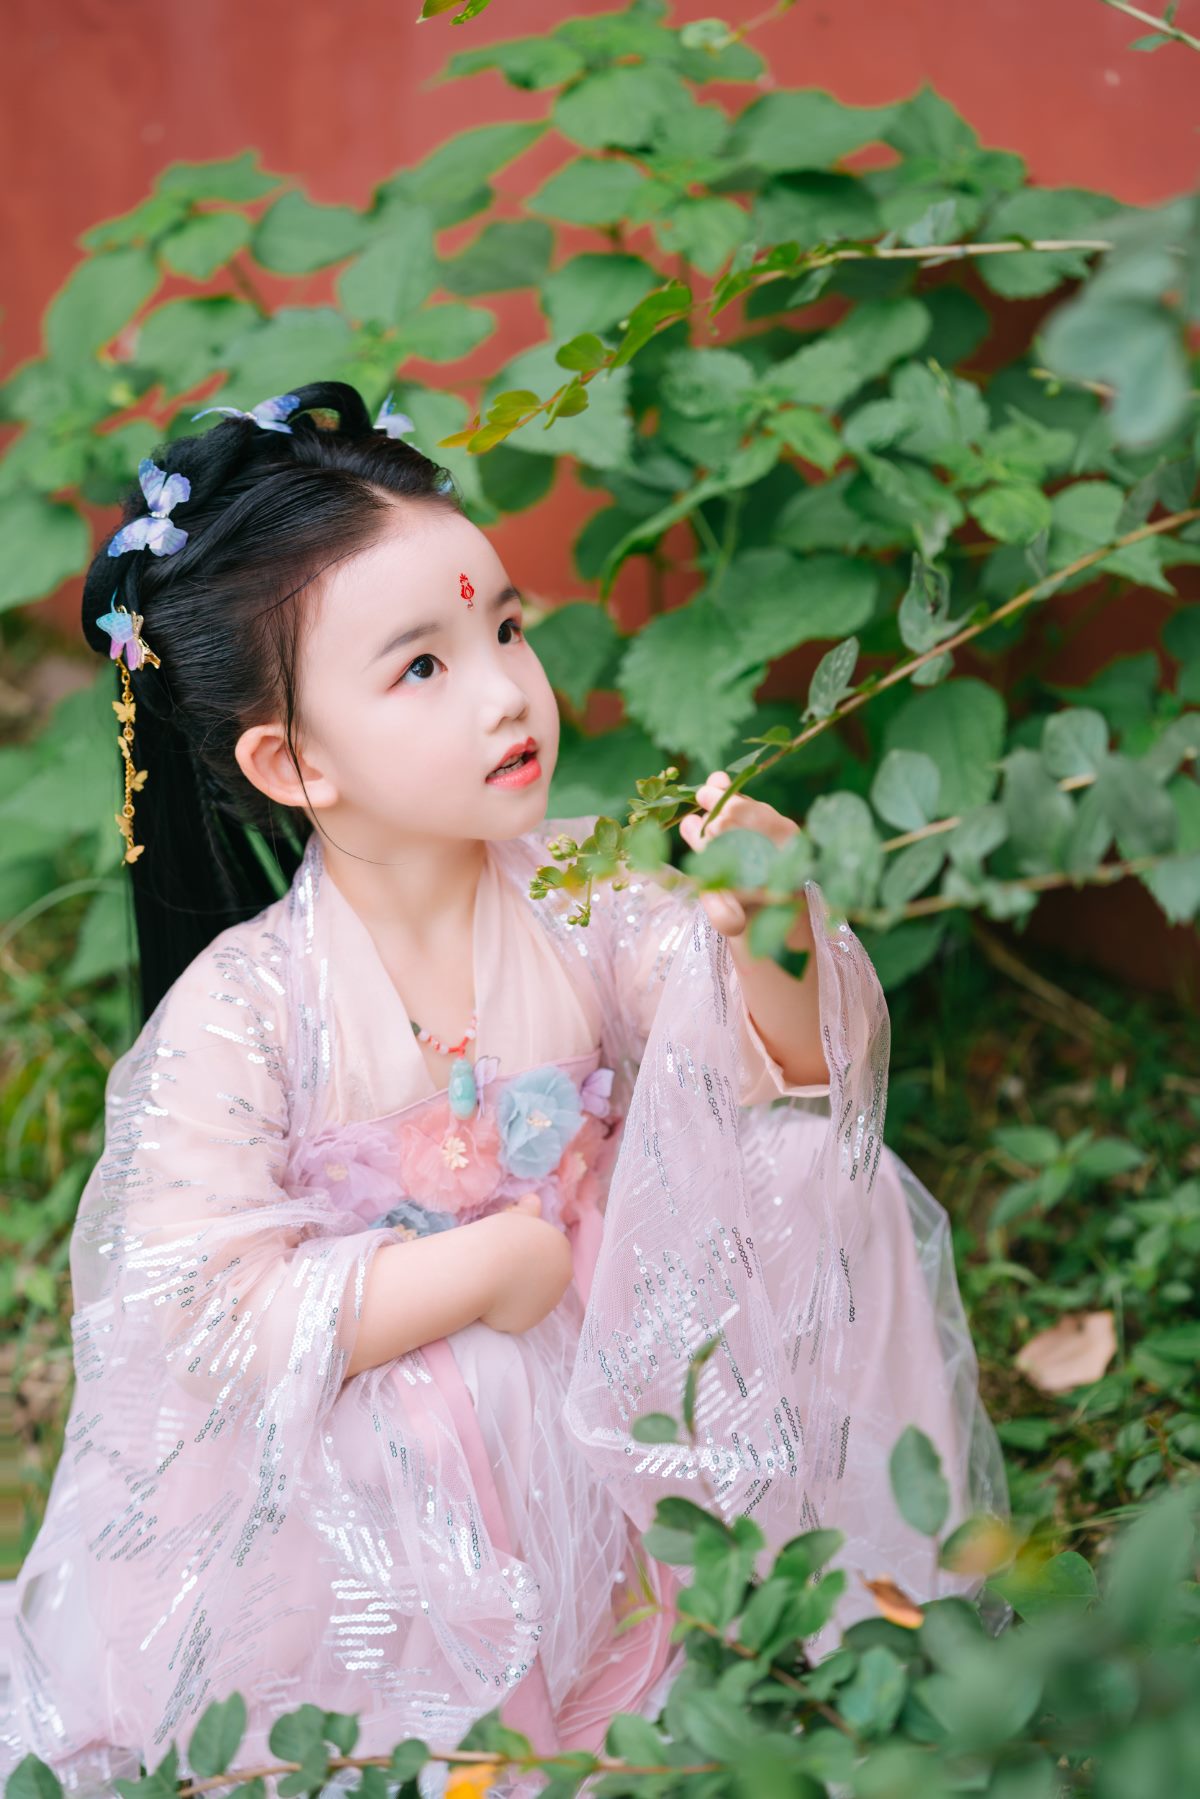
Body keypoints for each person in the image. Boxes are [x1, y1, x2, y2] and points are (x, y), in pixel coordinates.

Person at [1, 381, 1006, 1797]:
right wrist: (485, 1269)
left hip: (618, 1357)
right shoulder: (245, 1009)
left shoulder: (578, 894)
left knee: (815, 1179)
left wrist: (775, 928)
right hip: (403, 1457)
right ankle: (486, 1737)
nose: (505, 693)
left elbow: (779, 1079)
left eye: (509, 632)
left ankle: (863, 1610)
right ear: (292, 760)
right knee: (459, 1379)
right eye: (423, 667)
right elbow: (197, 1316)